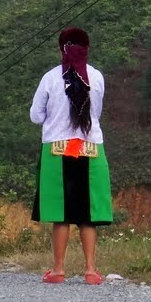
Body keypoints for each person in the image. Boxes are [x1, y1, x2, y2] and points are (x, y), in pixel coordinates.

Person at [30, 26, 113, 285]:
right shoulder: (97, 78)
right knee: (87, 213)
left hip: (57, 148)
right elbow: (95, 113)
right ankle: (90, 271)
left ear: (61, 49)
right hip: (90, 147)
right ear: (87, 49)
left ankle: (58, 270)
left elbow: (35, 116)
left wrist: (53, 119)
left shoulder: (50, 78)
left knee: (61, 212)